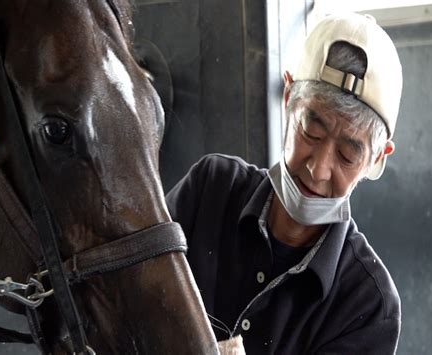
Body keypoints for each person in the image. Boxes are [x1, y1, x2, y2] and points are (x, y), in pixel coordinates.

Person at [167, 12, 402, 354]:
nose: (319, 169)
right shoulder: (210, 190)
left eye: (348, 155)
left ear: (377, 159)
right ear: (288, 96)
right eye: (312, 130)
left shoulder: (368, 306)